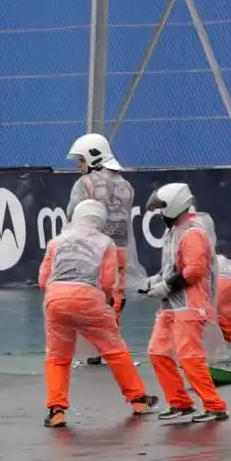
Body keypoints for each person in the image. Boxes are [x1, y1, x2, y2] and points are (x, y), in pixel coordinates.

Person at [37, 200, 160, 428]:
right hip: (88, 298)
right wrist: (105, 301)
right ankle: (138, 400)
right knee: (114, 350)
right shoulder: (105, 242)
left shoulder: (56, 242)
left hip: (55, 298)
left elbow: (42, 279)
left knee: (57, 357)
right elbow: (106, 281)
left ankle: (56, 411)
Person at [140, 182, 229, 422]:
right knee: (157, 352)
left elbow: (195, 270)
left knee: (189, 356)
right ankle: (179, 402)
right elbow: (171, 268)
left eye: (162, 209)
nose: (160, 214)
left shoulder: (193, 233)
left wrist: (166, 286)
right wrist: (154, 281)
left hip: (190, 304)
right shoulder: (174, 232)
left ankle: (214, 405)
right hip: (172, 305)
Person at [65, 133, 145, 366]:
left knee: (90, 296)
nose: (80, 167)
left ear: (93, 156)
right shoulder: (125, 185)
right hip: (118, 249)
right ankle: (109, 346)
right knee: (114, 299)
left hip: (92, 249)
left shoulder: (85, 184)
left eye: (81, 161)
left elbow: (73, 214)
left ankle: (92, 349)